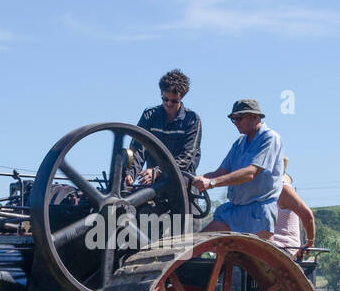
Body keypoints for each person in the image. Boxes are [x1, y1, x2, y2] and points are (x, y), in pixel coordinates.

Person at [190, 99, 283, 239]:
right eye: (233, 119)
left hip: (258, 213)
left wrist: (212, 183)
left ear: (255, 117)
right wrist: (191, 180)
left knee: (252, 260)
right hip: (234, 211)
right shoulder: (239, 143)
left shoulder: (270, 138)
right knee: (194, 245)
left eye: (239, 118)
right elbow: (220, 172)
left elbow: (250, 173)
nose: (236, 123)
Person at [130, 69, 201, 187]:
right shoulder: (149, 115)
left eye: (174, 101)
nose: (168, 104)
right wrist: (131, 173)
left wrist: (158, 172)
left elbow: (187, 157)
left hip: (180, 185)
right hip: (153, 185)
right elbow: (137, 148)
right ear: (161, 93)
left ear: (181, 97)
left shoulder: (192, 120)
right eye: (165, 99)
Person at [272, 158, 316, 260]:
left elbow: (307, 215)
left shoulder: (283, 189)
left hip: (283, 248)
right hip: (266, 245)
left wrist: (309, 243)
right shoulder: (264, 190)